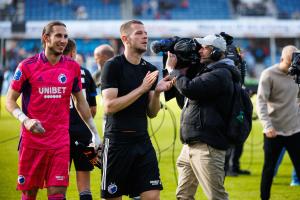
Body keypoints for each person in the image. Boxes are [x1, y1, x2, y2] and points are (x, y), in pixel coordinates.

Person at [5, 21, 101, 200]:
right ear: (45, 38)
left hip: (59, 142)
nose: (63, 40)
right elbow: (10, 101)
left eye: (65, 36)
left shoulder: (72, 67)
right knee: (29, 193)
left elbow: (81, 102)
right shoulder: (27, 66)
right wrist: (25, 120)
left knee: (57, 193)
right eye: (58, 35)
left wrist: (94, 133)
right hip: (32, 142)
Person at [100, 19, 174, 200]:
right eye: (139, 33)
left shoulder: (149, 69)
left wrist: (156, 93)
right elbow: (109, 106)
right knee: (112, 196)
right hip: (117, 142)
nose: (145, 36)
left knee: (152, 196)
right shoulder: (113, 66)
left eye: (146, 33)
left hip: (142, 140)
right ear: (125, 39)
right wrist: (141, 89)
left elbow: (152, 113)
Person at [165, 34, 241, 200]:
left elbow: (189, 89)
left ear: (216, 52)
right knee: (183, 195)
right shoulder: (208, 71)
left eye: (205, 47)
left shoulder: (221, 73)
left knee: (217, 196)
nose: (200, 50)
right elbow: (185, 98)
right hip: (192, 144)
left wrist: (173, 71)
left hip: (208, 146)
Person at [256, 45, 300, 200]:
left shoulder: (298, 74)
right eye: (290, 61)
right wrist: (267, 126)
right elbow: (260, 102)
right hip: (273, 130)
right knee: (269, 169)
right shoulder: (268, 74)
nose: (293, 66)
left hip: (295, 130)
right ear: (282, 58)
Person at [63, 38, 98, 200]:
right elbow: (92, 108)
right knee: (85, 183)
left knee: (58, 183)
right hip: (84, 133)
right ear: (73, 52)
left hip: (60, 132)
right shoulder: (85, 72)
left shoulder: (52, 70)